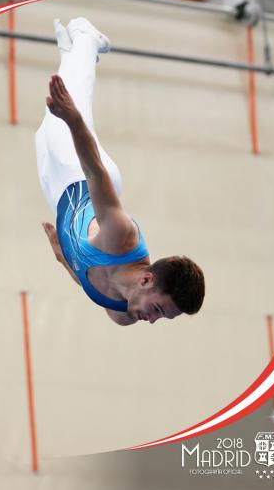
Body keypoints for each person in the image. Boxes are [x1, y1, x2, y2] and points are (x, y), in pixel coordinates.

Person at [36, 18, 205, 326]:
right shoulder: (120, 236)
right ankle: (86, 39)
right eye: (158, 309)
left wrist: (63, 259)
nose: (151, 320)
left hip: (57, 199)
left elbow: (90, 283)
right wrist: (74, 121)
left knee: (41, 132)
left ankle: (68, 55)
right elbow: (94, 171)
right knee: (63, 111)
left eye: (161, 317)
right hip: (81, 178)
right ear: (146, 280)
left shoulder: (123, 314)